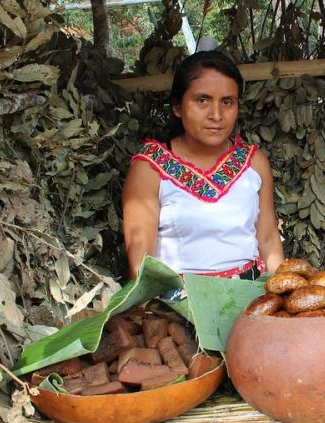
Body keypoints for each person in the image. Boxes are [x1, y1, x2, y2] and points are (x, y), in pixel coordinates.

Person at [122, 48, 284, 281]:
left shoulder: (254, 163)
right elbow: (141, 266)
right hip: (178, 305)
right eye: (202, 100)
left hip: (250, 299)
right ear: (177, 106)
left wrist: (281, 303)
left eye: (227, 102)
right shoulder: (149, 169)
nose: (216, 115)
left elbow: (268, 240)